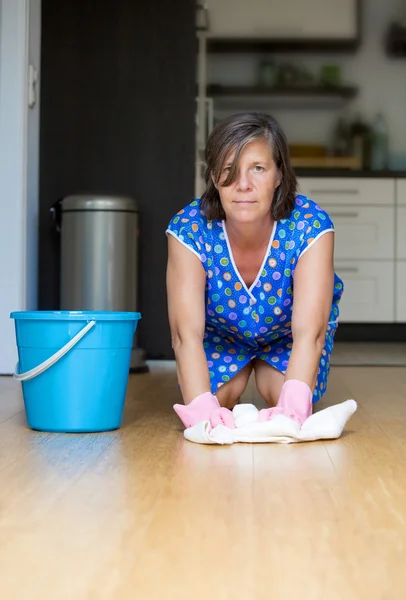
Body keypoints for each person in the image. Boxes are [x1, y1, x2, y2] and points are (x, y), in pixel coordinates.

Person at [165, 112, 343, 430]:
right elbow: (184, 335)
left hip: (288, 337)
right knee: (213, 406)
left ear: (279, 176)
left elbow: (310, 334)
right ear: (214, 176)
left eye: (258, 169)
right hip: (220, 336)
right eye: (229, 170)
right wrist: (202, 415)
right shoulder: (189, 228)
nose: (243, 185)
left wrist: (292, 410)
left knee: (285, 402)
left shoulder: (310, 226)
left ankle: (274, 381)